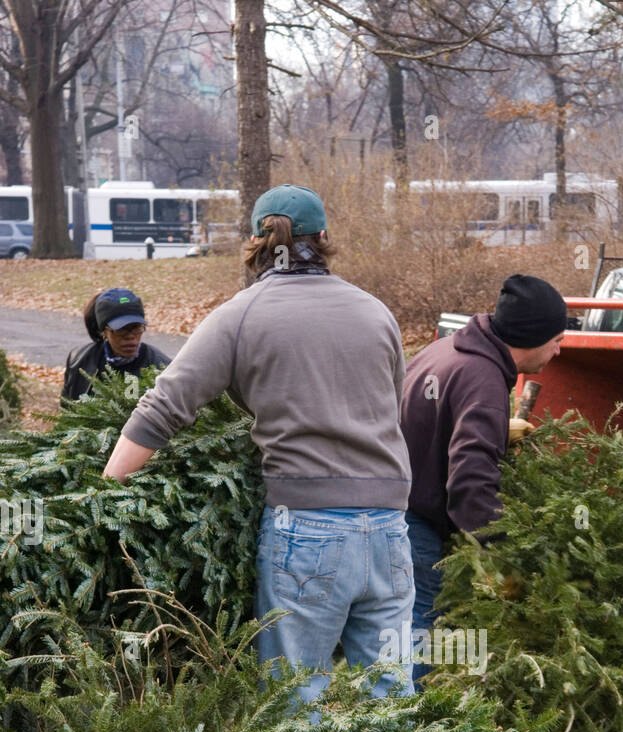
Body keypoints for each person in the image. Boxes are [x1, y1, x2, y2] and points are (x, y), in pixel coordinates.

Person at [101, 183, 414, 703]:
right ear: (326, 238)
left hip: (307, 530)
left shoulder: (241, 315)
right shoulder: (376, 312)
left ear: (254, 243)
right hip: (388, 528)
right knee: (391, 697)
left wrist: (105, 490)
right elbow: (390, 405)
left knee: (295, 699)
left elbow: (162, 408)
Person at [400, 274, 567, 679]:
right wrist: (504, 555)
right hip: (415, 527)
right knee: (419, 643)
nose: (560, 349)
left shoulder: (446, 349)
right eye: (556, 339)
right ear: (531, 336)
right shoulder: (484, 380)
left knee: (398, 637)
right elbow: (470, 484)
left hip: (390, 509)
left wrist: (493, 429)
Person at [62, 288, 172, 402]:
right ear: (103, 332)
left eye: (136, 328)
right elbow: (68, 410)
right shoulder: (79, 360)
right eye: (121, 329)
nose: (130, 337)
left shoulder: (163, 369)